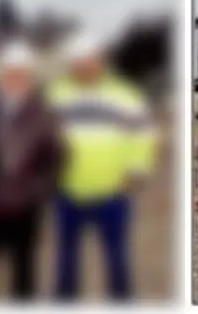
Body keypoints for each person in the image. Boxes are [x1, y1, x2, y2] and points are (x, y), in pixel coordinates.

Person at [47, 33, 156, 300]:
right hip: (67, 192)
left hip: (112, 193)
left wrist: (136, 172)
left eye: (90, 60)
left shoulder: (123, 94)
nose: (85, 66)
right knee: (66, 262)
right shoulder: (56, 95)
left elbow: (142, 134)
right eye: (79, 61)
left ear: (101, 61)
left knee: (117, 259)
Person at [0, 41, 62, 300]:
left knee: (24, 272)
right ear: (1, 73)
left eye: (21, 73)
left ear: (30, 76)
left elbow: (55, 159)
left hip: (25, 206)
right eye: (11, 72)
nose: (16, 78)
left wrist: (38, 191)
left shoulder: (43, 114)